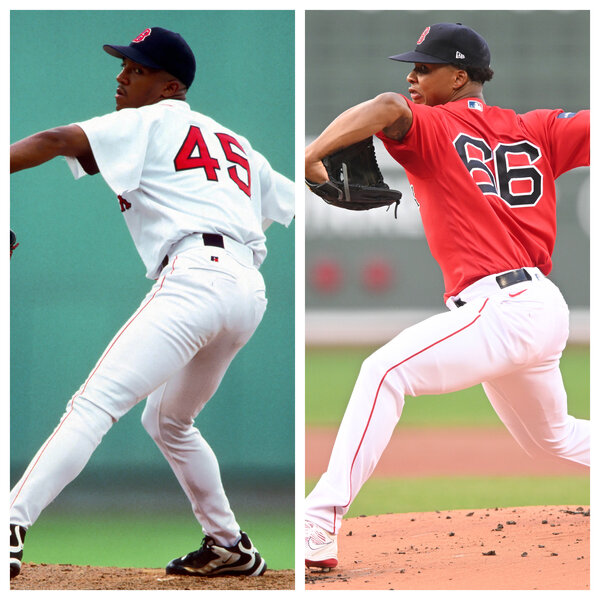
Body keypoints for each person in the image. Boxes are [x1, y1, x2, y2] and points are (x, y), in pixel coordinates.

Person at [10, 26, 294, 579]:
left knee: (92, 406)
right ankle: (229, 545)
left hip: (195, 277)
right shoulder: (235, 142)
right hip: (246, 290)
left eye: (135, 70)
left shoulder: (149, 118)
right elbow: (286, 196)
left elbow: (52, 140)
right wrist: (323, 171)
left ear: (169, 86)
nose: (120, 77)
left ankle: (9, 525)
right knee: (170, 421)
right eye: (122, 66)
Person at [304, 22, 590, 570]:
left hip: (501, 307)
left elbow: (387, 105)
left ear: (460, 77)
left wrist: (315, 152)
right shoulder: (538, 127)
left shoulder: (432, 127)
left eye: (424, 68)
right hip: (543, 307)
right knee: (552, 439)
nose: (412, 77)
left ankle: (320, 517)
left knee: (385, 371)